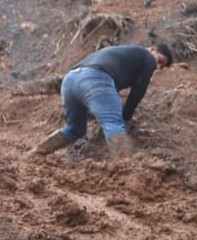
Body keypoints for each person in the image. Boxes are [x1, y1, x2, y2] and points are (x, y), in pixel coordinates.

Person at [34, 42, 174, 158]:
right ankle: (128, 170)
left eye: (161, 67)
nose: (158, 66)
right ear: (153, 49)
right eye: (160, 61)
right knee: (113, 122)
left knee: (75, 129)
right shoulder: (148, 57)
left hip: (70, 80)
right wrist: (126, 117)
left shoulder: (123, 52)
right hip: (95, 77)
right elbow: (139, 91)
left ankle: (39, 151)